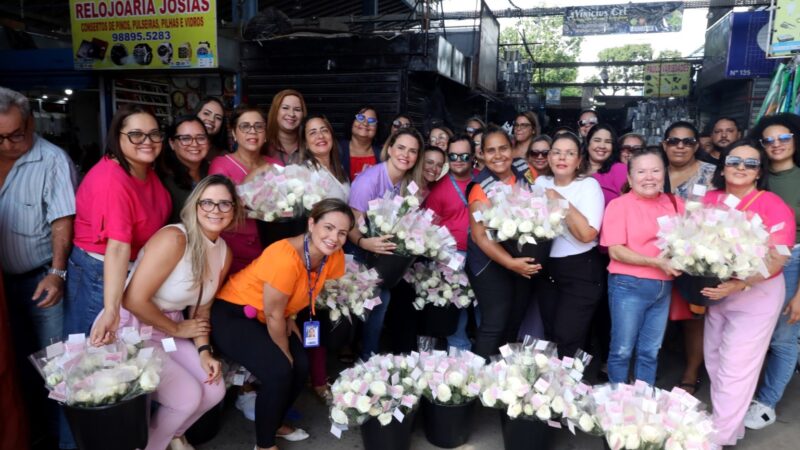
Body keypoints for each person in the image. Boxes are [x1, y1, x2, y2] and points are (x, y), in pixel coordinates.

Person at [211, 199, 354, 450]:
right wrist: (284, 350)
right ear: (311, 223)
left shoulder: (333, 255)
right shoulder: (284, 255)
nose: (334, 237)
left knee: (301, 365)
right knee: (280, 369)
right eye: (328, 227)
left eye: (342, 232)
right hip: (234, 312)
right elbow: (273, 312)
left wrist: (291, 317)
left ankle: (273, 422)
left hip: (274, 314)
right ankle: (264, 445)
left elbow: (300, 292)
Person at [121, 175, 240, 450]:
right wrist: (176, 329)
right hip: (132, 328)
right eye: (207, 202)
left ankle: (163, 438)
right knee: (186, 397)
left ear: (234, 210)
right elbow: (132, 300)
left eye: (224, 204)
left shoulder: (224, 252)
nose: (215, 210)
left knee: (214, 390)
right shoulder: (175, 238)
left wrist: (204, 352)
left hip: (169, 329)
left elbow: (202, 309)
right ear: (195, 206)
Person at [701, 140, 795, 447]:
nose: (741, 167)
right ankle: (733, 424)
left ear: (759, 172)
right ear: (724, 166)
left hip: (757, 293)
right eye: (734, 161)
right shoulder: (709, 198)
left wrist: (741, 283)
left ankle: (718, 437)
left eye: (750, 163)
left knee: (735, 367)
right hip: (718, 293)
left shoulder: (772, 204)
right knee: (714, 360)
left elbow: (778, 256)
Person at [0, 86, 75, 447]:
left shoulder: (52, 160)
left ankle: (62, 440)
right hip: (1, 289)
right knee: (11, 368)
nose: (7, 144)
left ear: (30, 123)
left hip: (42, 279)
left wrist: (57, 274)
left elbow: (62, 220)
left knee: (56, 368)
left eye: (15, 134)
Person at [601, 148, 684, 385]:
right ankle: (618, 402)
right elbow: (616, 250)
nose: (649, 177)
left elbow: (689, 239)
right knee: (622, 349)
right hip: (629, 285)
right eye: (641, 171)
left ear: (664, 174)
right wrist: (656, 262)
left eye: (655, 170)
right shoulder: (619, 205)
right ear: (630, 178)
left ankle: (642, 404)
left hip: (664, 287)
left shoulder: (675, 203)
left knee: (650, 351)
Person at [743, 114, 800, 429]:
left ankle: (767, 402)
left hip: (792, 262)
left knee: (783, 337)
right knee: (752, 334)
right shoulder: (753, 177)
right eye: (769, 140)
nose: (776, 144)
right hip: (749, 263)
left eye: (784, 137)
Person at [348, 128, 424, 359]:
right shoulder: (369, 180)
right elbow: (350, 225)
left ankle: (367, 355)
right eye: (401, 148)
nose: (406, 155)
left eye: (412, 151)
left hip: (385, 258)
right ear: (389, 149)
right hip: (360, 254)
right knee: (378, 302)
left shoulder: (408, 183)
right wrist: (364, 242)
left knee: (383, 301)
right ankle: (365, 356)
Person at [467, 126, 540, 359]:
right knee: (494, 323)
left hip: (518, 257)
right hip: (489, 261)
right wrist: (510, 263)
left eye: (503, 148)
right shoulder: (479, 188)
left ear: (512, 148)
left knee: (513, 323)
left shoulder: (525, 170)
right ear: (482, 154)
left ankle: (500, 382)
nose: (498, 156)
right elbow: (480, 236)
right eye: (491, 151)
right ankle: (474, 385)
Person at [535, 132, 606, 357]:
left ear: (579, 160)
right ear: (548, 157)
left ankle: (569, 387)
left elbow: (586, 234)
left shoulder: (588, 186)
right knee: (551, 335)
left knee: (568, 338)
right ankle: (552, 388)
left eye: (569, 153)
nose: (561, 158)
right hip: (547, 269)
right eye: (556, 152)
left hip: (581, 270)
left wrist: (558, 199)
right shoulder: (540, 182)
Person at [661, 121, 717, 395]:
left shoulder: (712, 175)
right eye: (673, 141)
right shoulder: (655, 172)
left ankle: (691, 371)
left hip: (697, 257)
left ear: (697, 145)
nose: (680, 146)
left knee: (694, 317)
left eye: (687, 141)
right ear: (664, 145)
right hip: (657, 255)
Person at [298, 115, 350, 402]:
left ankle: (316, 373)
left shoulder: (339, 169)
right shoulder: (305, 172)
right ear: (305, 141)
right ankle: (317, 379)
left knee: (327, 315)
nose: (319, 136)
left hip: (337, 252)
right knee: (312, 314)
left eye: (324, 130)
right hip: (315, 251)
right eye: (312, 133)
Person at [425, 134, 476, 350]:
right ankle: (458, 348)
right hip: (452, 255)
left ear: (473, 156)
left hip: (484, 252)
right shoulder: (438, 187)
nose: (458, 159)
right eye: (453, 155)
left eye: (464, 155)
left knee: (482, 305)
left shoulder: (482, 180)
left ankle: (484, 348)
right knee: (458, 303)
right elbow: (428, 226)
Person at [209, 104, 271, 273]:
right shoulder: (221, 165)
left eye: (258, 126)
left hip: (270, 250)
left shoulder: (276, 165)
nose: (253, 131)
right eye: (245, 126)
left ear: (265, 133)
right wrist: (255, 174)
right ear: (235, 134)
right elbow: (220, 209)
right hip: (232, 253)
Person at [158, 115, 210, 223]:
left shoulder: (211, 171)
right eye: (185, 139)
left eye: (200, 138)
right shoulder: (164, 182)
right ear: (172, 143)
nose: (195, 144)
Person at [586, 124, 627, 206]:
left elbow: (628, 204)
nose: (602, 146)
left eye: (608, 142)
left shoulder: (619, 169)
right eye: (597, 140)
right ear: (588, 143)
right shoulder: (575, 168)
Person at [264, 89, 306, 166]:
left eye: (297, 109)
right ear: (275, 111)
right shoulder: (262, 146)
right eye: (285, 108)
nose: (291, 114)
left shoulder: (309, 146)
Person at [340, 105, 382, 182]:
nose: (365, 123)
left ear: (377, 128)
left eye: (371, 121)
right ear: (352, 122)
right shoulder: (336, 149)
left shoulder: (383, 155)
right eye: (360, 118)